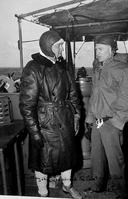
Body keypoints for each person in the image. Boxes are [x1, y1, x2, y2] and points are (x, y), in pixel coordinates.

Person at [19, 30, 82, 199]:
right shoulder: (32, 68)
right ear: (48, 46)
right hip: (45, 124)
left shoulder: (63, 66)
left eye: (62, 45)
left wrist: (76, 116)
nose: (62, 50)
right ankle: (43, 193)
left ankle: (67, 186)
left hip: (65, 119)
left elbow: (74, 95)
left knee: (67, 156)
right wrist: (35, 133)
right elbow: (26, 106)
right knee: (43, 162)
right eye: (59, 46)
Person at [85, 35, 128, 199]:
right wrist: (89, 118)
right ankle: (97, 186)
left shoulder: (124, 70)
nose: (96, 52)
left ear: (111, 50)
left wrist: (116, 123)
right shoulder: (98, 67)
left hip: (111, 122)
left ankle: (119, 193)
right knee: (97, 158)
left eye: (100, 49)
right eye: (96, 49)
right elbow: (94, 95)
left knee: (115, 162)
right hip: (97, 120)